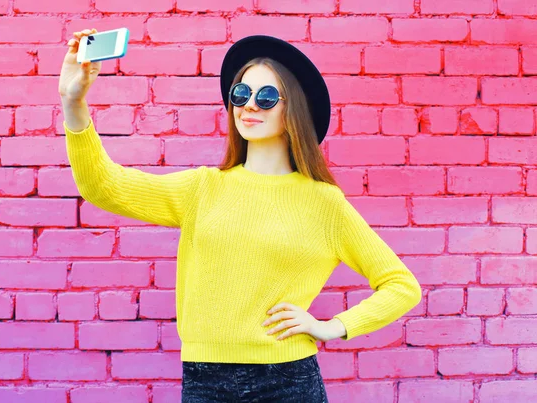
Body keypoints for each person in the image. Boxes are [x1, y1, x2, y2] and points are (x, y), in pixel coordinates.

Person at [59, 30, 422, 403]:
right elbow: (102, 185)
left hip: (289, 382)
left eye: (266, 97)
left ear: (293, 108)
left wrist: (334, 326)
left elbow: (401, 285)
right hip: (204, 381)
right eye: (240, 94)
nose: (249, 106)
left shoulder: (324, 203)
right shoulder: (202, 188)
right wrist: (74, 103)